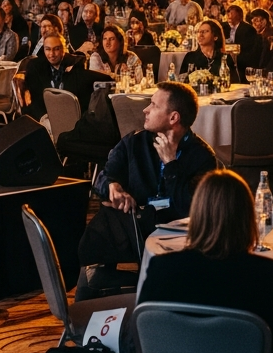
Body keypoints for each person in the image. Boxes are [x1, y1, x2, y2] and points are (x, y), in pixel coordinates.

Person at [137, 170, 273, 353]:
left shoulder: (162, 268)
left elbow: (141, 343)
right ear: (247, 218)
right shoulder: (265, 274)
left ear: (197, 215)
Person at [79, 82, 217, 291]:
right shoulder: (134, 143)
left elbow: (189, 207)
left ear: (173, 118)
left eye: (153, 105)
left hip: (178, 236)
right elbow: (104, 175)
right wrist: (112, 187)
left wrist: (171, 165)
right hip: (134, 224)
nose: (145, 109)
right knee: (104, 224)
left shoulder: (201, 156)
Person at [22, 34, 88, 119]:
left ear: (63, 49)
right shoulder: (35, 66)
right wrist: (43, 117)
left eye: (56, 49)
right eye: (48, 49)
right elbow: (34, 99)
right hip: (43, 116)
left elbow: (79, 98)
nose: (51, 54)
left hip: (69, 115)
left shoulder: (76, 64)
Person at [223, 4, 262, 70]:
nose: (229, 15)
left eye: (232, 13)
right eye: (228, 13)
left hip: (242, 63)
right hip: (226, 59)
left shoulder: (248, 29)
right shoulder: (223, 27)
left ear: (239, 16)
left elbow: (249, 52)